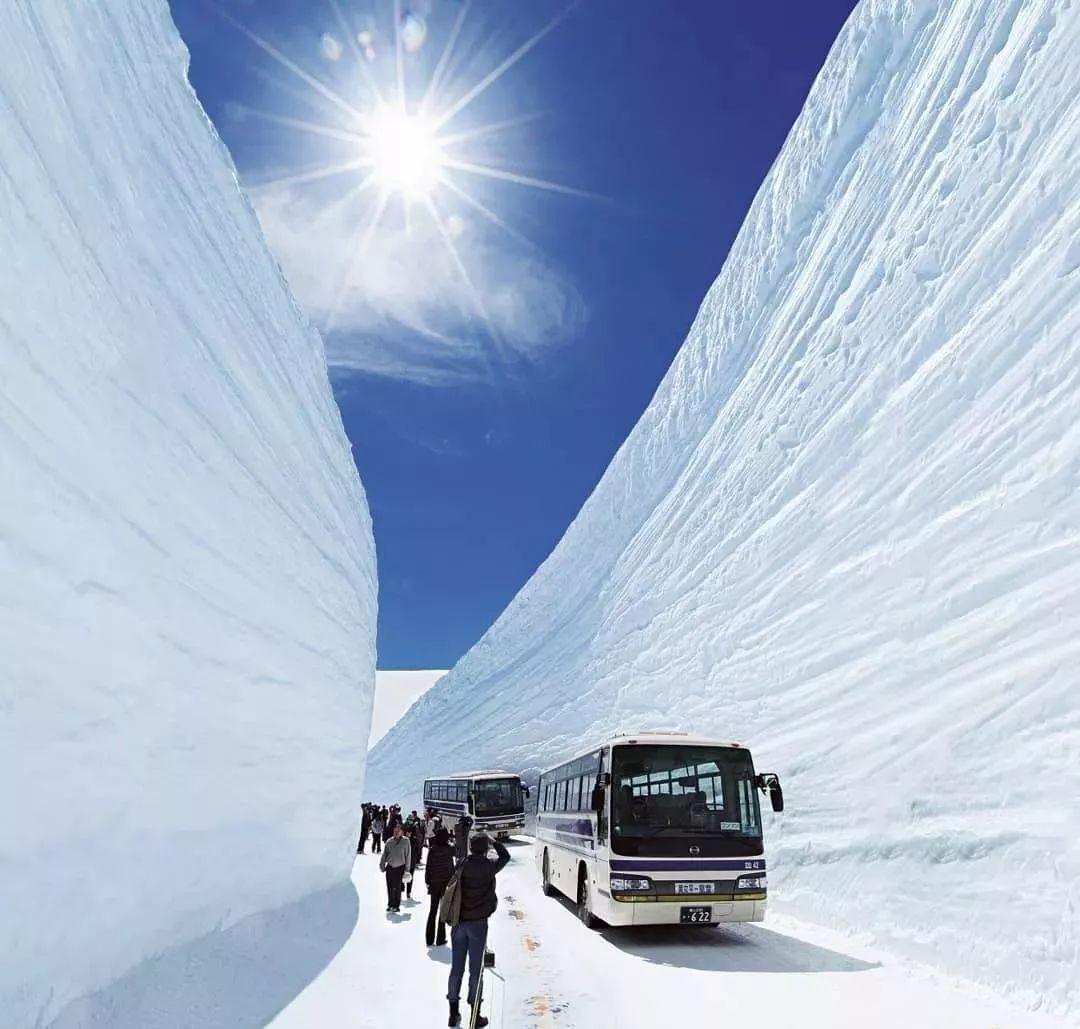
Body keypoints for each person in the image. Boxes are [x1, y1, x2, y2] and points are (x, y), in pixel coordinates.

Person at [446, 834, 510, 1028]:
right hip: (479, 924)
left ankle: (453, 1013)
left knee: (457, 968)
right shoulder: (489, 867)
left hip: (459, 922)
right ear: (485, 849)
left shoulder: (462, 864)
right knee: (476, 970)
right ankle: (475, 1015)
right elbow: (505, 856)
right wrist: (494, 842)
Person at [425, 827, 455, 947]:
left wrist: (427, 881)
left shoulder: (432, 849)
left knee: (433, 910)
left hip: (434, 883)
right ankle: (440, 938)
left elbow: (428, 867)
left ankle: (429, 938)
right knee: (443, 910)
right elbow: (452, 865)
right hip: (445, 883)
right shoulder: (449, 850)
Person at [379, 822, 413, 913]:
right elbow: (384, 855)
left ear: (402, 831)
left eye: (399, 830)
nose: (397, 832)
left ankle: (396, 905)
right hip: (390, 867)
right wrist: (382, 865)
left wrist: (407, 870)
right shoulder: (389, 841)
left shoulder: (406, 841)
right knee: (389, 886)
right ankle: (390, 904)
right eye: (395, 830)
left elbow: (408, 856)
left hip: (400, 868)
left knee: (397, 887)